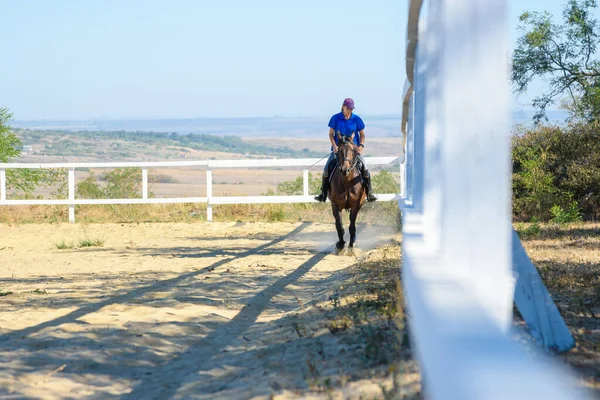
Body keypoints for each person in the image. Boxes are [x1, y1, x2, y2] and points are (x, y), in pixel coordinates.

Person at [314, 98, 377, 202]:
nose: (350, 111)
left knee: (365, 167)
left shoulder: (357, 119)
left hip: (353, 151)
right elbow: (331, 134)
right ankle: (323, 193)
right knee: (326, 169)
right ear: (343, 106)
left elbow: (362, 134)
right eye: (348, 108)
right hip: (338, 151)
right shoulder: (335, 118)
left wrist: (361, 146)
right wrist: (334, 146)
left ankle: (369, 193)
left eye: (351, 109)